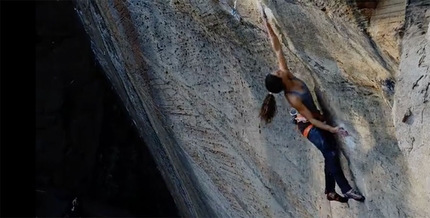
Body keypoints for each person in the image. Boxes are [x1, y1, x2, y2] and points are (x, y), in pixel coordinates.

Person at [257, 5, 365, 203]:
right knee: (329, 149)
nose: (277, 69)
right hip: (308, 125)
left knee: (329, 153)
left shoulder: (286, 73)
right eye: (276, 72)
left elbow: (277, 47)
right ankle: (346, 189)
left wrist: (266, 23)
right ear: (280, 80)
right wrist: (332, 128)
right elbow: (311, 120)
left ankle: (330, 192)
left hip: (312, 118)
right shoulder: (293, 97)